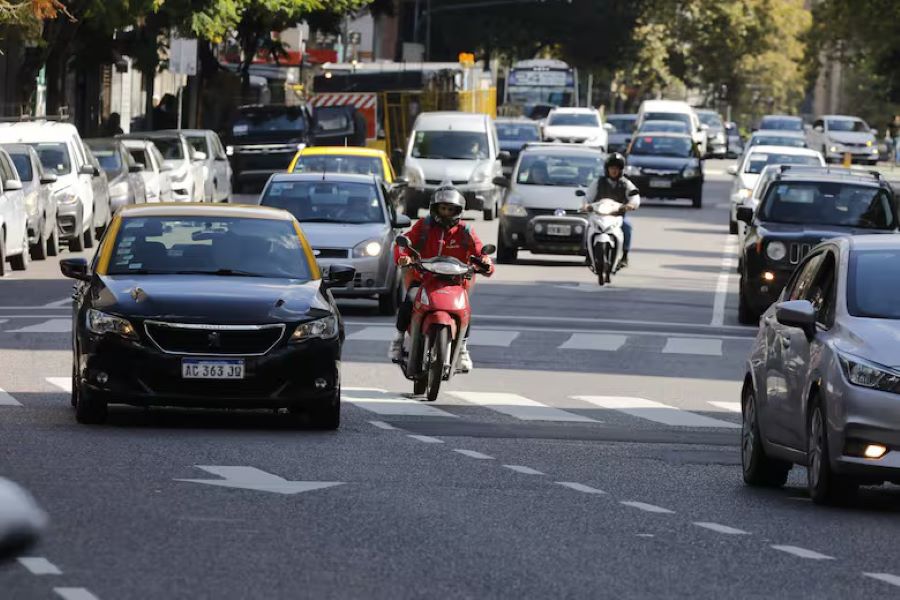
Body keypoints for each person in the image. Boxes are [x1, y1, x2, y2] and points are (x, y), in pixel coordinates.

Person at [389, 184, 494, 372]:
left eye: (450, 209)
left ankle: (462, 349)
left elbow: (480, 251)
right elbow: (404, 243)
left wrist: (485, 261)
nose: (446, 213)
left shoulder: (465, 231)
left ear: (458, 211)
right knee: (409, 300)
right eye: (443, 208)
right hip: (423, 278)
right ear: (435, 209)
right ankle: (397, 341)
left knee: (464, 309)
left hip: (455, 282)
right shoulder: (424, 225)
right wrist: (403, 256)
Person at [584, 152, 641, 267]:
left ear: (621, 170)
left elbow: (634, 197)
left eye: (617, 168)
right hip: (599, 215)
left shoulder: (626, 184)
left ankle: (624, 255)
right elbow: (588, 196)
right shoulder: (598, 182)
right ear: (607, 169)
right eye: (611, 168)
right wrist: (585, 205)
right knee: (588, 226)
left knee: (627, 227)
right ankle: (588, 254)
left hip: (618, 216)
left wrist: (632, 204)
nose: (614, 171)